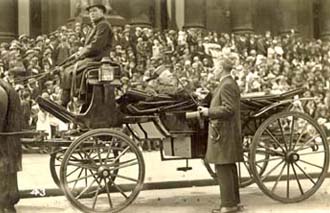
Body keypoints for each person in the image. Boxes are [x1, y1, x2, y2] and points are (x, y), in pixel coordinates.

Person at [198, 53, 244, 213]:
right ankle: (234, 202)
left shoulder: (227, 85)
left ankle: (228, 205)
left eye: (215, 66)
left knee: (223, 167)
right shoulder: (227, 83)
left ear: (221, 67)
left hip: (223, 132)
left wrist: (207, 111)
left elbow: (228, 109)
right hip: (225, 131)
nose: (213, 69)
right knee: (228, 166)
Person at [60, 2, 113, 107]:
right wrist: (79, 53)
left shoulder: (103, 25)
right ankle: (77, 97)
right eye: (90, 12)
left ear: (102, 12)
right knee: (67, 67)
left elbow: (96, 45)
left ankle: (66, 101)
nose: (92, 14)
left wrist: (80, 53)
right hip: (92, 57)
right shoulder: (96, 26)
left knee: (69, 71)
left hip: (99, 58)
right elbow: (89, 46)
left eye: (95, 11)